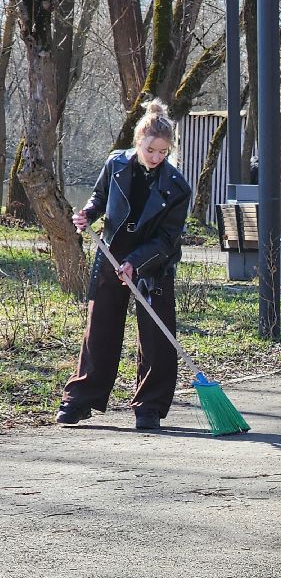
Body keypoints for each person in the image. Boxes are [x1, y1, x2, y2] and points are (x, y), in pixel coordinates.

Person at [59, 99, 192, 431]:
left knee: (156, 337)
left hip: (153, 263)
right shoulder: (115, 163)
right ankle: (81, 400)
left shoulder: (178, 187)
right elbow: (100, 197)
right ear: (139, 142)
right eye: (151, 150)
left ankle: (150, 407)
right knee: (100, 328)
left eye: (163, 152)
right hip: (112, 253)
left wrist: (136, 262)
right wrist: (87, 214)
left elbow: (167, 239)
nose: (157, 157)